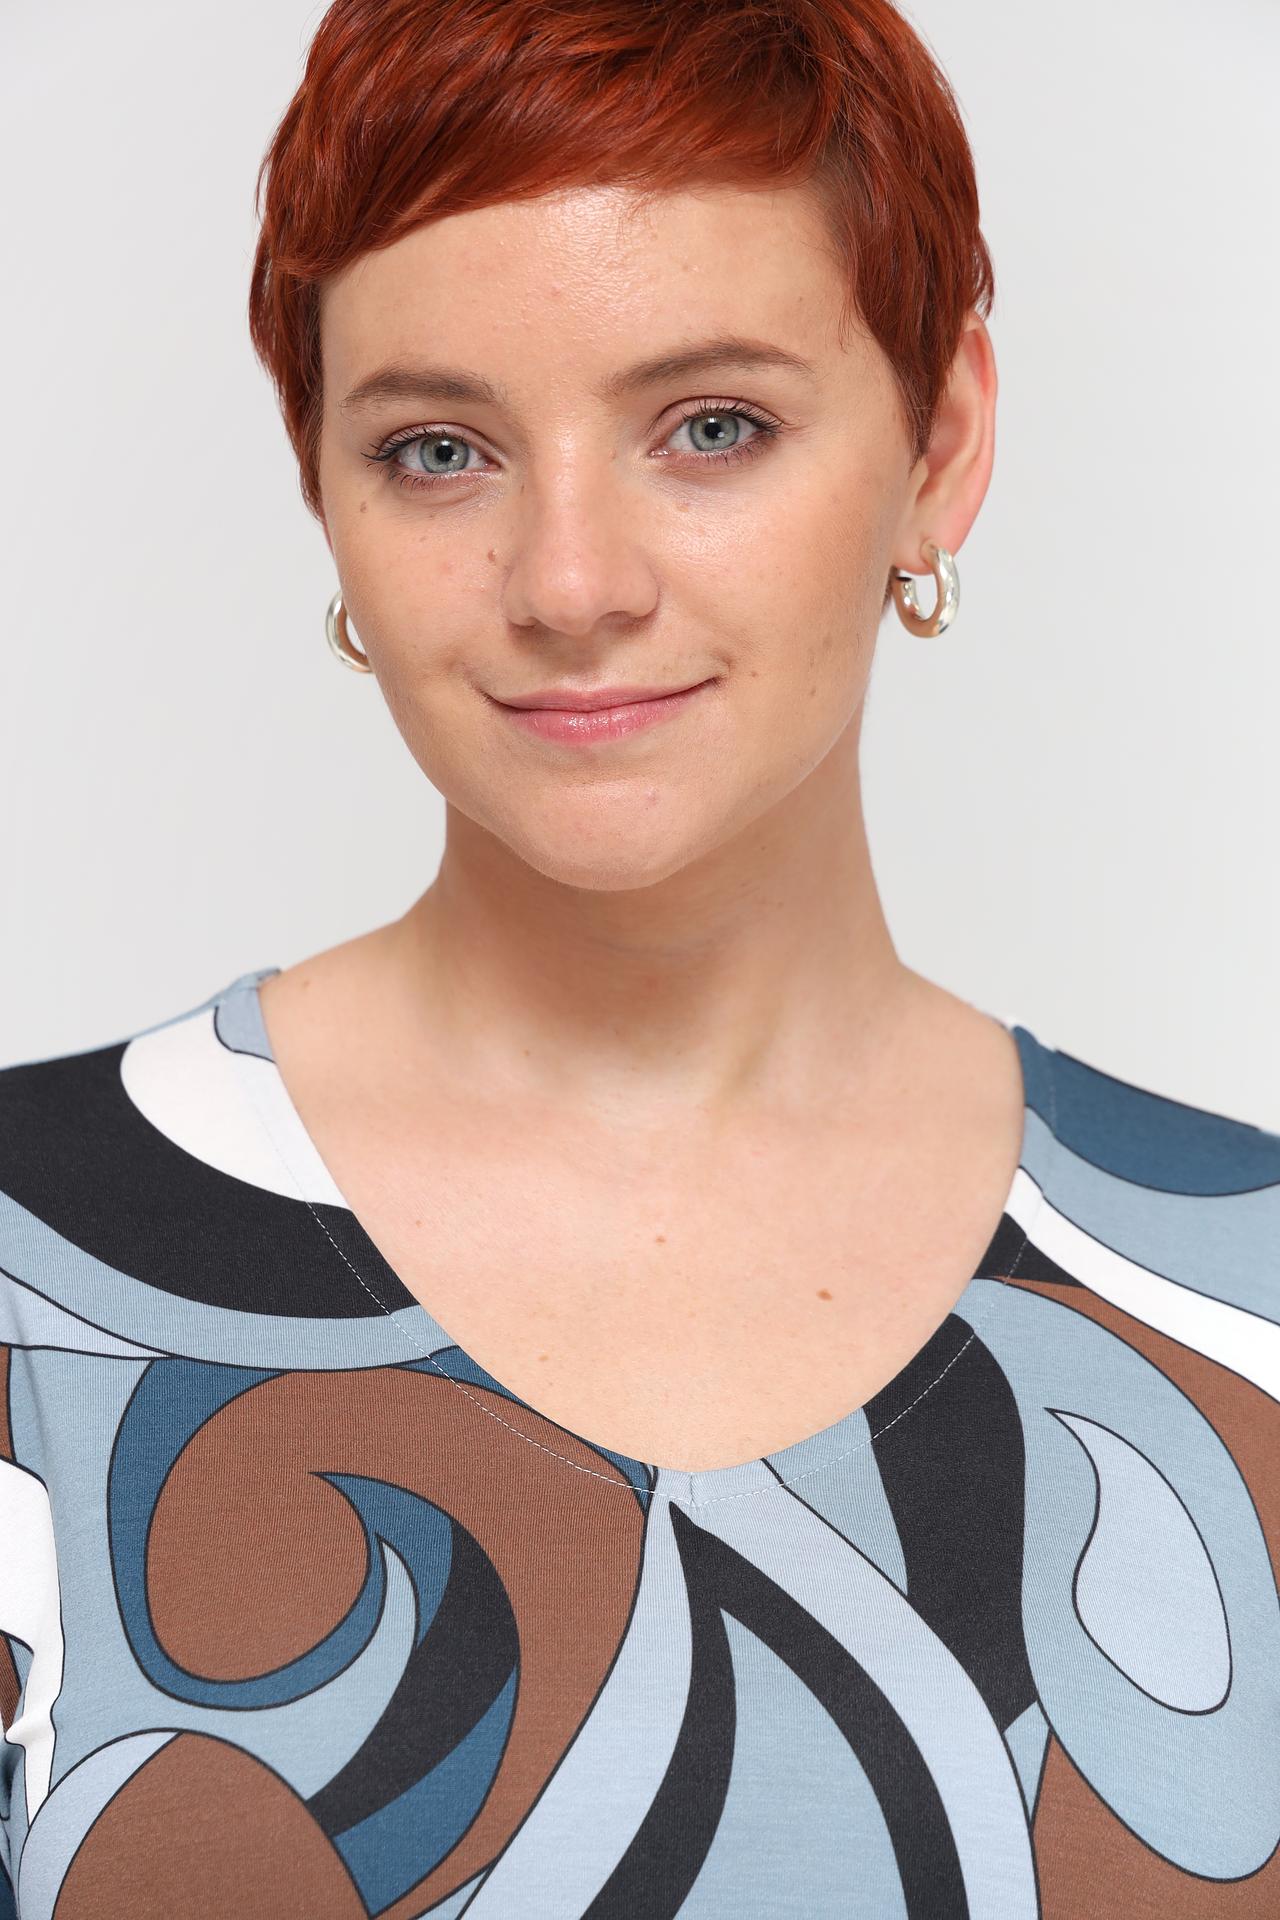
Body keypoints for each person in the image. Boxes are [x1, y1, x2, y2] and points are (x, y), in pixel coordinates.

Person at [2, 0, 1277, 1912]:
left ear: (942, 441)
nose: (571, 581)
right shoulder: (26, 1273)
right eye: (440, 449)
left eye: (712, 427)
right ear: (321, 483)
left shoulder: (1246, 1303)